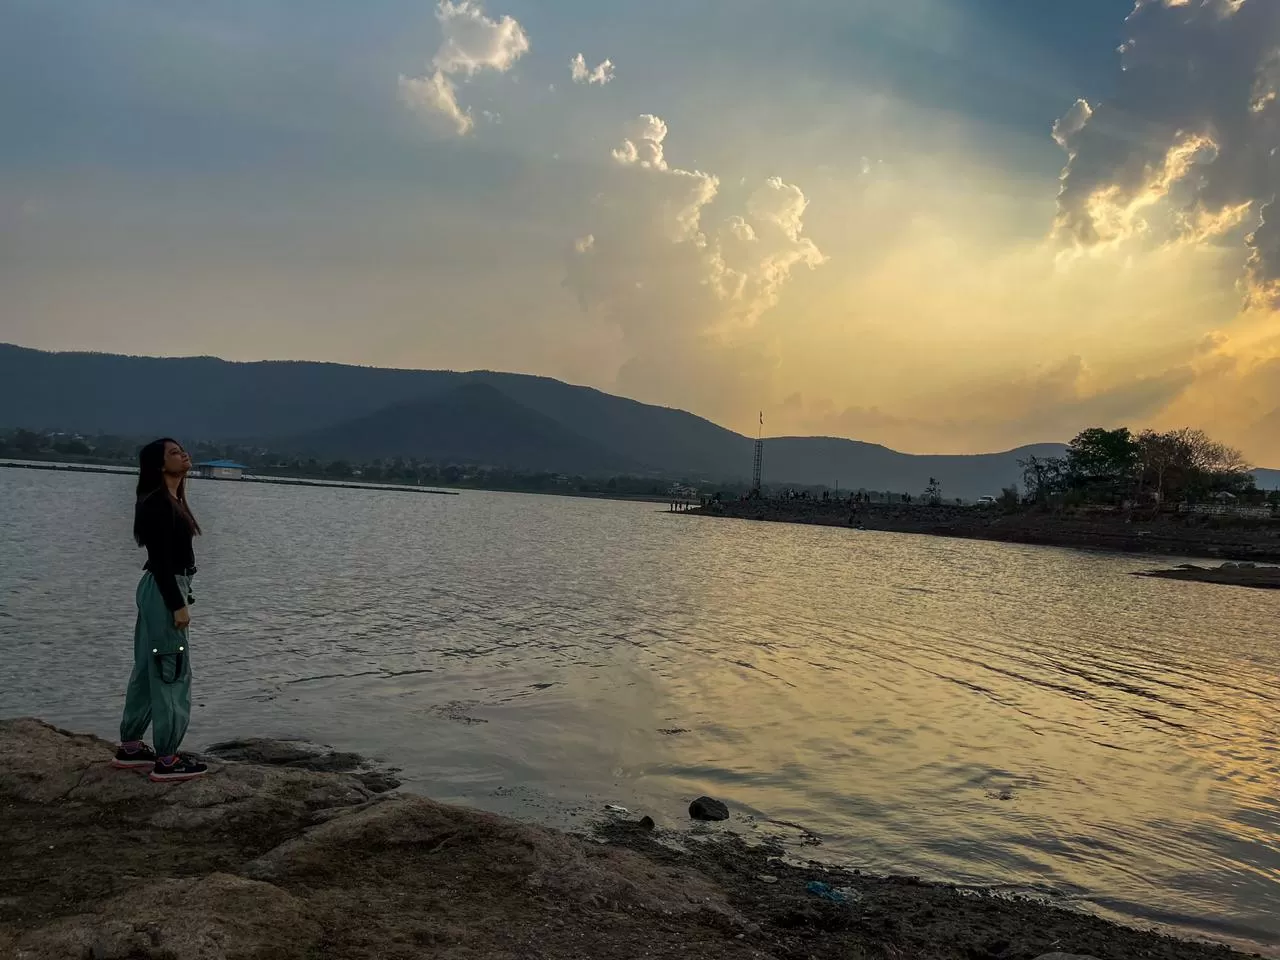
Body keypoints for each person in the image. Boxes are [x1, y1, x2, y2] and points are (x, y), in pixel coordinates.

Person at [113, 438, 209, 782]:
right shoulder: (158, 503)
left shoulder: (169, 500)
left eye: (182, 449)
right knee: (171, 669)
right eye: (173, 452)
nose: (183, 454)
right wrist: (177, 604)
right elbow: (162, 560)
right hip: (165, 589)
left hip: (159, 588)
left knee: (147, 666)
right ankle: (167, 759)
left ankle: (131, 747)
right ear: (157, 465)